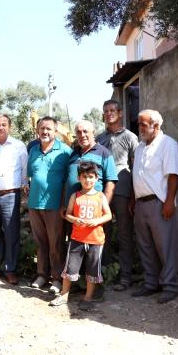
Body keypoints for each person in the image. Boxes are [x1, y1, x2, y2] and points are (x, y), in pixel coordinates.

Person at [131, 109, 178, 304]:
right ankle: (151, 283)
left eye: (143, 124)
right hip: (141, 203)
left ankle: (170, 286)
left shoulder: (168, 144)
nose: (140, 128)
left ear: (156, 126)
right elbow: (138, 175)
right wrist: (132, 200)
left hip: (159, 203)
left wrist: (169, 201)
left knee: (165, 247)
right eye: (139, 124)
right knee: (145, 246)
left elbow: (174, 175)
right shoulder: (140, 147)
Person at [64, 120, 117, 300]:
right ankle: (79, 287)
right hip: (76, 211)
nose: (82, 135)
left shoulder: (104, 152)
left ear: (94, 133)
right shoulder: (73, 153)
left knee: (96, 253)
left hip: (96, 214)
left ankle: (96, 290)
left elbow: (110, 181)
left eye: (86, 131)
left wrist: (103, 208)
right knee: (75, 251)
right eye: (78, 132)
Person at [49, 161, 112, 311]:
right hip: (77, 238)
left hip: (96, 240)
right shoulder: (75, 196)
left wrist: (97, 221)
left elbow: (108, 215)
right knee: (70, 267)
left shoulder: (100, 196)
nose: (87, 180)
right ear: (79, 178)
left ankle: (88, 297)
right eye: (84, 177)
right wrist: (74, 219)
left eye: (91, 177)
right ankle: (64, 295)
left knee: (92, 269)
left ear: (97, 178)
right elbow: (68, 214)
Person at [96, 100, 139, 291]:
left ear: (120, 113)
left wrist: (134, 195)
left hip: (123, 190)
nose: (109, 113)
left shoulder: (130, 137)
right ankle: (103, 272)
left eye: (112, 110)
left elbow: (136, 166)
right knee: (101, 233)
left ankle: (126, 276)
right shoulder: (99, 138)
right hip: (103, 191)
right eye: (106, 111)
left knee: (124, 233)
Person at [26, 116, 71, 294]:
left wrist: (65, 204)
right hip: (34, 204)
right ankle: (42, 275)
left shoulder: (65, 151)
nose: (45, 132)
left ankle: (57, 278)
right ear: (37, 131)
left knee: (56, 244)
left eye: (48, 129)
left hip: (54, 206)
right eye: (42, 129)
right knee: (40, 243)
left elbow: (70, 179)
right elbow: (31, 175)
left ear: (55, 131)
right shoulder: (33, 151)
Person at [0, 114, 28, 285]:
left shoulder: (18, 146)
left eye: (4, 124)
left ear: (9, 126)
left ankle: (10, 269)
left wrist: (24, 185)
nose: (0, 127)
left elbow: (24, 168)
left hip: (11, 195)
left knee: (11, 233)